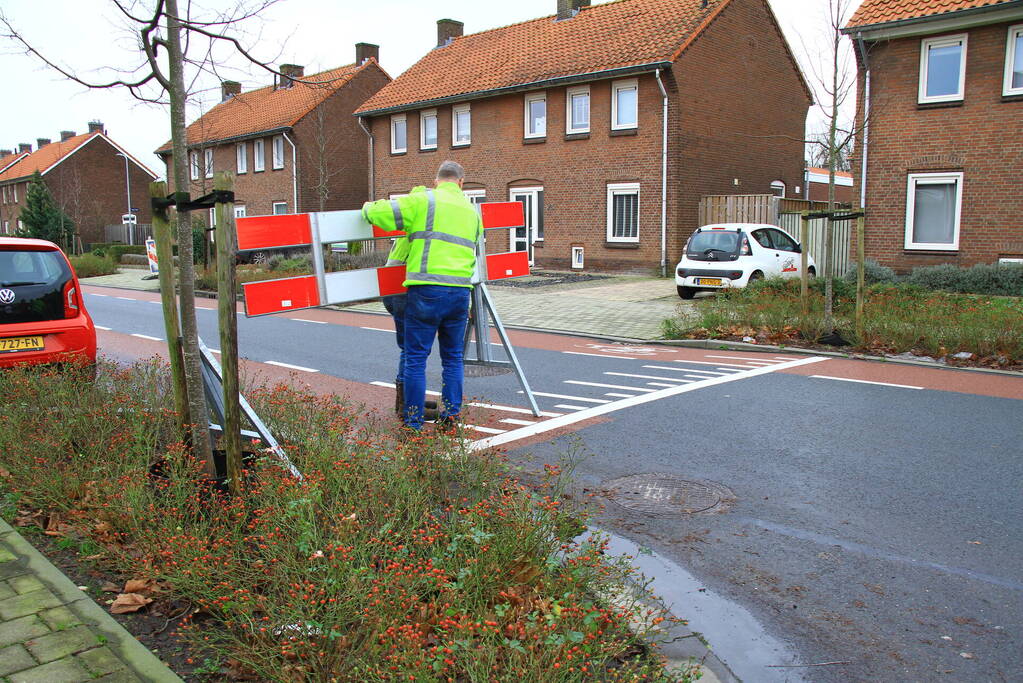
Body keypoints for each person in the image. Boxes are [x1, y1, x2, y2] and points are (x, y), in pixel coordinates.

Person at [362, 161, 481, 431]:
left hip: (426, 289)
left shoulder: (424, 200)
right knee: (452, 358)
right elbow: (473, 254)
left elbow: (380, 213)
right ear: (461, 183)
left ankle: (413, 422)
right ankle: (451, 417)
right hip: (461, 293)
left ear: (437, 180)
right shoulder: (472, 211)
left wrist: (368, 206)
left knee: (416, 358)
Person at [380, 234, 438, 420]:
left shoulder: (409, 229)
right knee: (412, 350)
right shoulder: (419, 232)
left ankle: (408, 400)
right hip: (404, 291)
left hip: (395, 290)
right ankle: (408, 405)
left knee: (410, 348)